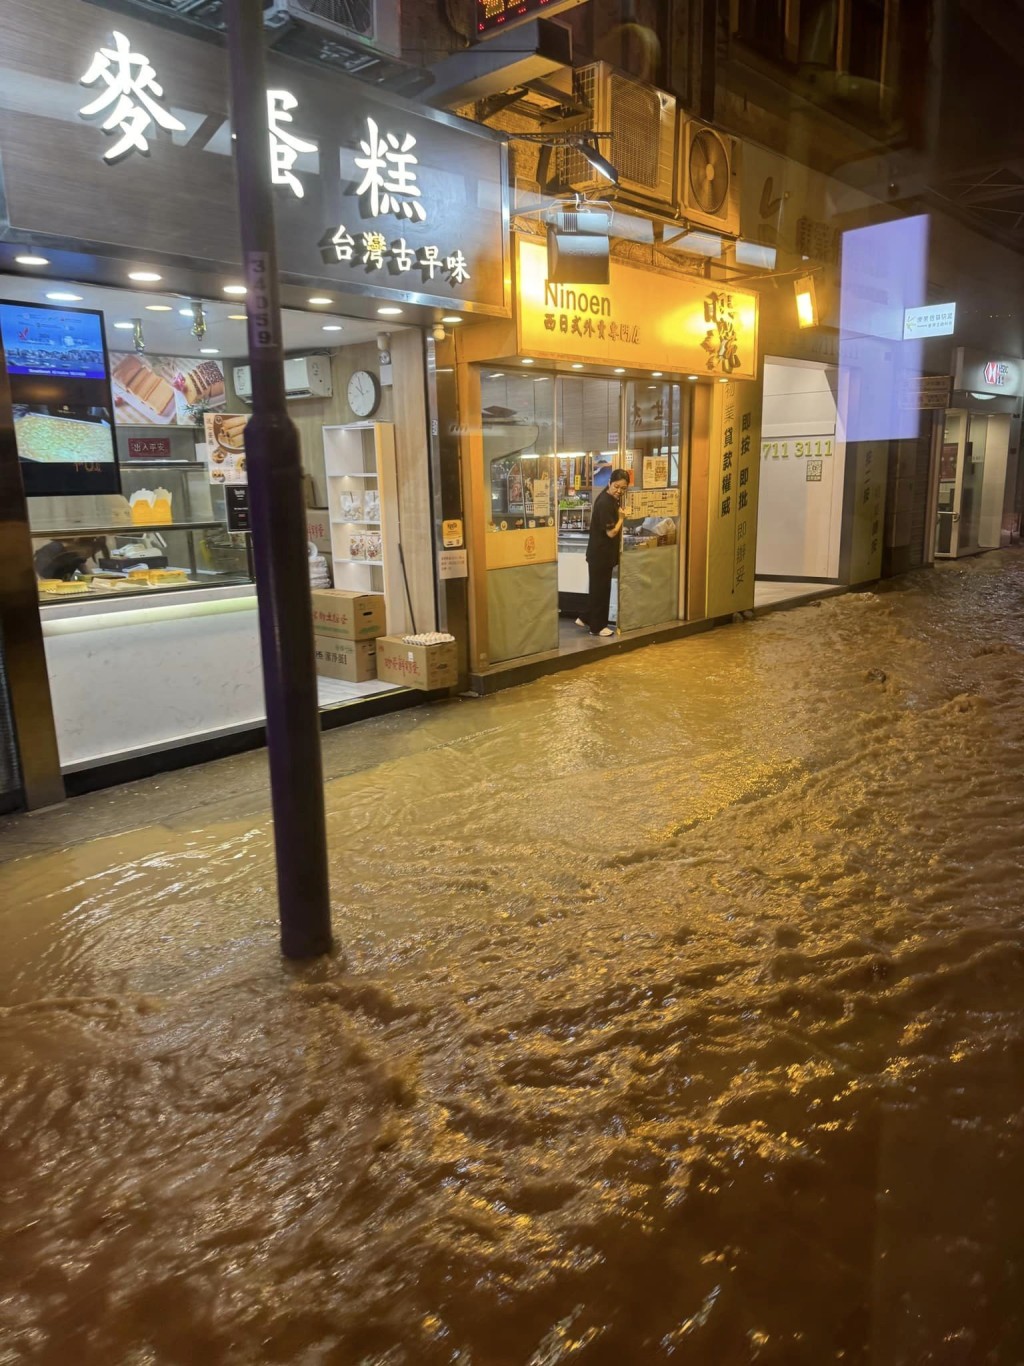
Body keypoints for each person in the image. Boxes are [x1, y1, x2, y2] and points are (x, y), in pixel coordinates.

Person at [577, 468, 629, 637]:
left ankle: (585, 617)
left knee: (597, 589)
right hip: (600, 554)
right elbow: (611, 533)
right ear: (609, 483)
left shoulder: (609, 498)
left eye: (623, 488)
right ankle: (597, 627)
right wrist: (622, 519)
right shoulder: (605, 503)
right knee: (601, 591)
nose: (619, 491)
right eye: (616, 487)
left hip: (599, 553)